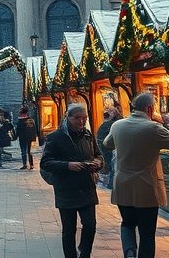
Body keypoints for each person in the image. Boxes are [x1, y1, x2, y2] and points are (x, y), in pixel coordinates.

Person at [103, 91, 169, 258]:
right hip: (146, 185)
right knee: (147, 232)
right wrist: (168, 123)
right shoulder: (153, 128)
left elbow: (107, 144)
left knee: (127, 223)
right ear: (150, 108)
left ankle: (130, 251)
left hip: (123, 184)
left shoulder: (118, 125)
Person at [41, 104, 103, 258]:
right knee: (69, 229)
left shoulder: (88, 135)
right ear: (67, 117)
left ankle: (84, 253)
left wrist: (98, 163)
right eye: (77, 118)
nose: (81, 122)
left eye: (84, 118)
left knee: (90, 225)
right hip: (66, 188)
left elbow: (98, 155)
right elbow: (45, 163)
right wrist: (67, 166)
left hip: (86, 187)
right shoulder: (55, 138)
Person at [96, 109, 116, 189]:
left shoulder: (104, 125)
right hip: (110, 151)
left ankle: (110, 185)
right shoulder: (112, 125)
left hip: (106, 150)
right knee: (112, 168)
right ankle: (110, 184)